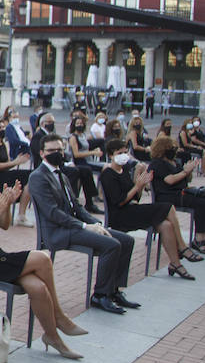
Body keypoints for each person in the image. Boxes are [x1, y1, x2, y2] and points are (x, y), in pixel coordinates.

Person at [0, 140, 86, 359]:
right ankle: (59, 316)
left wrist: (6, 205)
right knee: (42, 258)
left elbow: (5, 224)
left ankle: (52, 337)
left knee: (37, 287)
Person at [29, 134, 138, 315]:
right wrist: (85, 227)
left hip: (74, 226)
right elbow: (53, 213)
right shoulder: (38, 177)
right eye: (52, 150)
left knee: (126, 240)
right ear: (42, 153)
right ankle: (100, 295)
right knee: (111, 245)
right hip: (58, 232)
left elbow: (77, 207)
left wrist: (97, 223)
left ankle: (114, 290)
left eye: (60, 150)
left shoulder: (62, 175)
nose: (57, 153)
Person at [98, 139, 204, 279]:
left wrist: (141, 185)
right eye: (120, 153)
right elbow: (120, 201)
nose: (124, 155)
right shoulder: (108, 174)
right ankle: (182, 247)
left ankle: (175, 264)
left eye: (125, 152)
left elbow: (135, 198)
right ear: (111, 155)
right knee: (168, 207)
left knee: (166, 225)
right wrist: (137, 186)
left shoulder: (123, 171)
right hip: (120, 215)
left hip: (132, 209)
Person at [149, 135, 205, 254]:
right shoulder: (157, 164)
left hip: (180, 192)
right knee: (202, 204)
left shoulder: (175, 162)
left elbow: (185, 179)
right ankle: (198, 239)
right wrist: (185, 171)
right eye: (171, 147)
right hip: (167, 196)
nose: (174, 150)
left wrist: (189, 171)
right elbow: (170, 180)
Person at [0, 119, 34, 226]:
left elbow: (7, 164)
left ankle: (21, 214)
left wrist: (16, 161)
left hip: (3, 174)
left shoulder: (3, 143)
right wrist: (15, 162)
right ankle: (20, 214)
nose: (3, 130)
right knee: (29, 175)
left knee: (31, 176)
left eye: (3, 127)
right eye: (0, 128)